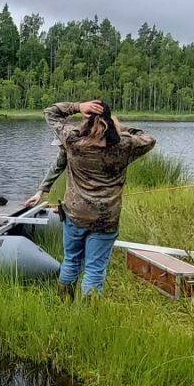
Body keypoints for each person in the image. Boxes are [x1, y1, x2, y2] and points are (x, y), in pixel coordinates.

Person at [45, 100, 155, 298]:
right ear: (111, 121)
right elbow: (147, 138)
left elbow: (51, 112)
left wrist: (78, 107)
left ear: (86, 120)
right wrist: (114, 127)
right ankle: (89, 311)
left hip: (75, 215)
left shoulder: (73, 140)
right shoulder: (125, 145)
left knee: (71, 261)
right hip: (106, 218)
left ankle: (63, 304)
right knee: (94, 270)